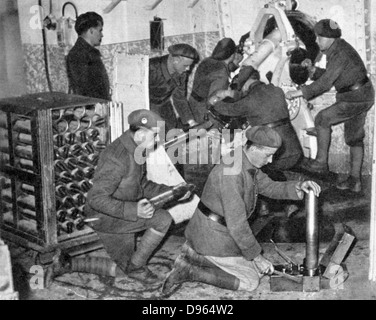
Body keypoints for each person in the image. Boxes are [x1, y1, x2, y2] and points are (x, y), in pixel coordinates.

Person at [162, 126, 321, 295]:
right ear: (252, 148)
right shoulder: (231, 173)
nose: (270, 160)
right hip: (211, 235)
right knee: (250, 281)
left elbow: (268, 186)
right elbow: (237, 225)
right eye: (268, 155)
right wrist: (257, 257)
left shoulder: (243, 159)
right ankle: (189, 269)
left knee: (258, 269)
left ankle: (194, 254)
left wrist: (298, 186)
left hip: (222, 232)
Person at [45, 109, 192, 286]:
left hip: (121, 212)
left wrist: (173, 191)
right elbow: (96, 199)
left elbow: (141, 185)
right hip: (106, 217)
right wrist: (134, 209)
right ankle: (133, 269)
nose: (157, 141)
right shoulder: (118, 157)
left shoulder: (136, 149)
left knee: (160, 222)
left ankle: (66, 264)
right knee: (127, 269)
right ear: (140, 133)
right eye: (154, 136)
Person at [285, 19, 375, 193]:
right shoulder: (338, 49)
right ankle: (355, 181)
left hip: (354, 97)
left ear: (330, 37)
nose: (317, 42)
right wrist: (312, 71)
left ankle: (320, 163)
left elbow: (325, 83)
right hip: (362, 95)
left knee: (322, 119)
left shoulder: (340, 53)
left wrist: (299, 92)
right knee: (353, 139)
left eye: (320, 38)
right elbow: (332, 75)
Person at [208, 66, 304, 216]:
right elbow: (251, 97)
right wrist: (228, 93)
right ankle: (286, 204)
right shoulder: (276, 91)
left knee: (253, 169)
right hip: (294, 149)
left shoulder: (250, 100)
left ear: (246, 84)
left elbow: (230, 110)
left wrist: (215, 102)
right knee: (270, 169)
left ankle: (267, 206)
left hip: (276, 152)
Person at [149, 43, 200, 132]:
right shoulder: (151, 68)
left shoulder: (182, 73)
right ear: (175, 60)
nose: (188, 69)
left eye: (190, 66)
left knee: (172, 129)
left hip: (164, 105)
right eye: (185, 65)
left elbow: (179, 98)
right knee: (157, 135)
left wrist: (191, 122)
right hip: (148, 106)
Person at [189, 37, 240, 124]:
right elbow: (212, 101)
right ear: (231, 56)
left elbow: (215, 72)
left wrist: (235, 64)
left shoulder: (207, 61)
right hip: (202, 109)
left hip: (192, 102)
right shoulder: (222, 76)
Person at [66, 12, 111, 100]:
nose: (102, 34)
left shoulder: (89, 52)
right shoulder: (78, 54)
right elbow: (82, 90)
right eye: (100, 30)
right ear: (91, 31)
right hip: (91, 109)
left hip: (97, 108)